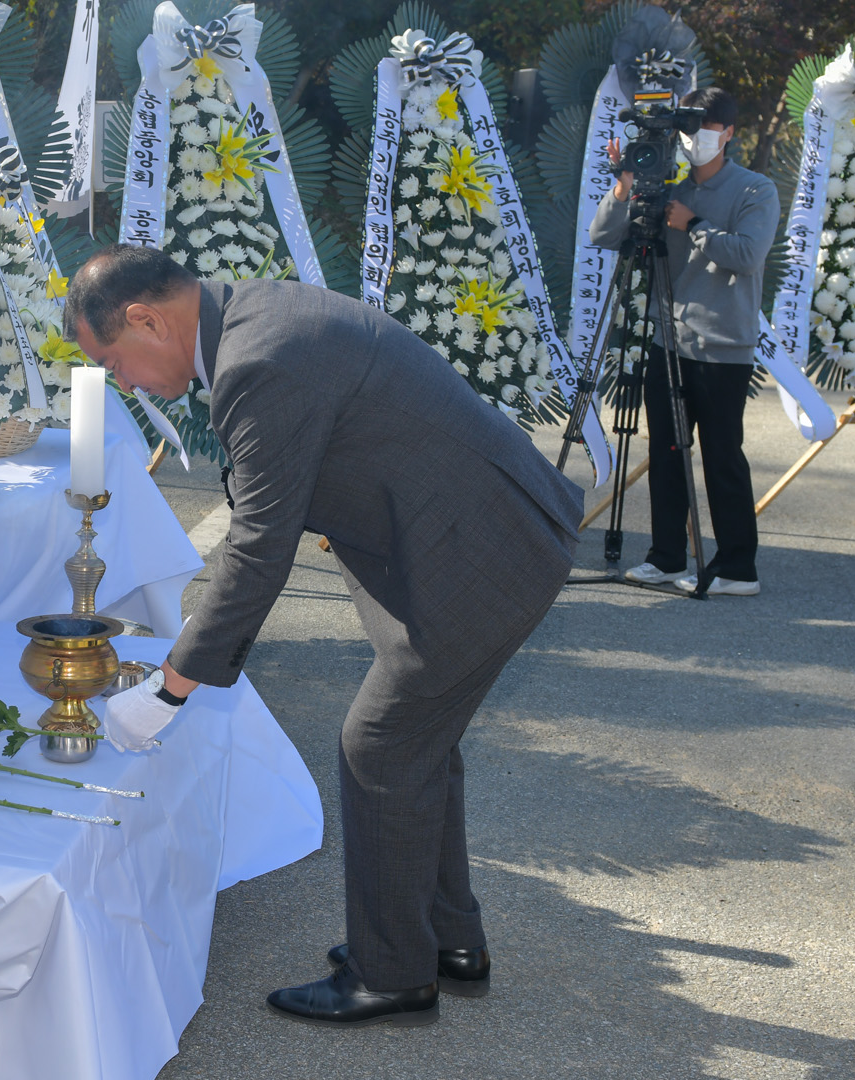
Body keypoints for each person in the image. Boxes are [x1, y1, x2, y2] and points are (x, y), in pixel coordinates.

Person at [66, 244, 582, 1028]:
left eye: (114, 362)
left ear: (146, 319)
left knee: (380, 746)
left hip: (480, 552)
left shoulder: (256, 360)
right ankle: (447, 942)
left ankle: (392, 975)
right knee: (416, 745)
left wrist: (168, 690)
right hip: (463, 537)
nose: (126, 383)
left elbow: (259, 546)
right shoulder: (252, 317)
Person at [590, 86, 780, 596]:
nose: (695, 140)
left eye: (705, 129)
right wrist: (625, 187)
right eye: (688, 130)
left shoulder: (755, 189)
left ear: (729, 132)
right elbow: (603, 236)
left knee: (722, 457)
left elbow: (746, 255)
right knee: (668, 453)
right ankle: (667, 557)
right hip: (669, 343)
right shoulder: (670, 190)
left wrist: (693, 224)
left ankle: (737, 568)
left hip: (724, 349)